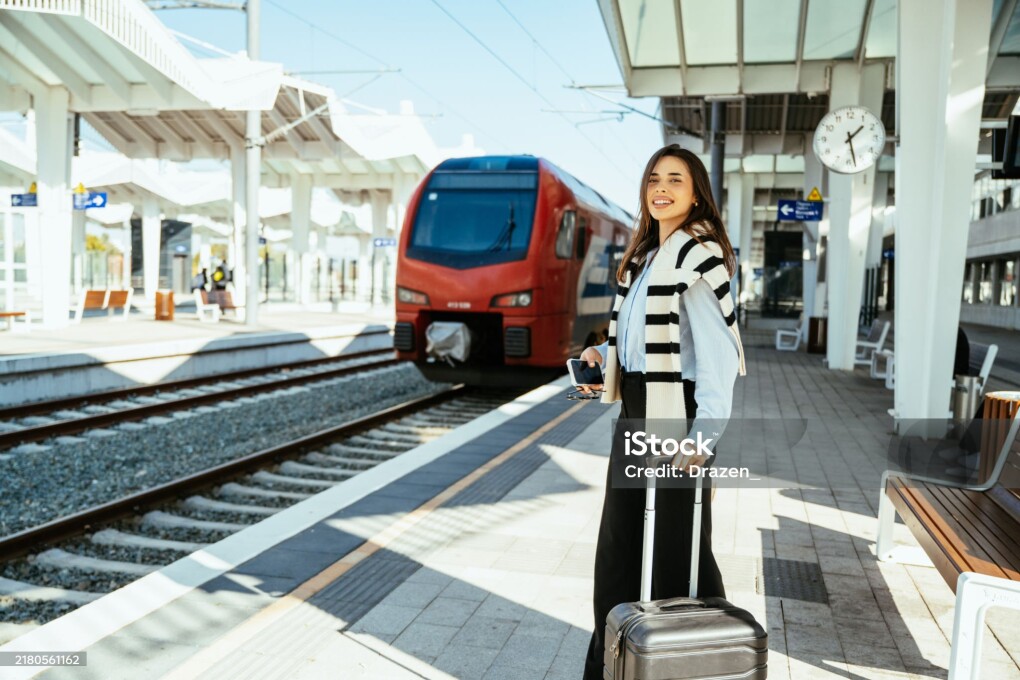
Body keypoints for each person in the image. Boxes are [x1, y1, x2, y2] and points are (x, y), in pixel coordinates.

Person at [579, 144, 746, 679]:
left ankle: (694, 663)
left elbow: (718, 356)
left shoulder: (698, 256)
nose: (661, 188)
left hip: (676, 418)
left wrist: (703, 440)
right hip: (638, 411)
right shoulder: (650, 256)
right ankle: (620, 663)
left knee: (676, 550)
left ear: (697, 192)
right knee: (622, 546)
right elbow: (643, 344)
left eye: (675, 179)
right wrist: (602, 357)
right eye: (654, 178)